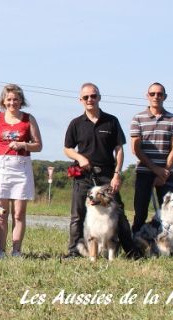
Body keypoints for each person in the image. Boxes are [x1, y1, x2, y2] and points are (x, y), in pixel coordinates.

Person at [63, 82, 142, 259]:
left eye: (93, 96)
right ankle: (74, 251)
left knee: (118, 213)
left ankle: (131, 251)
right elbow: (67, 148)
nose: (90, 99)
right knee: (78, 215)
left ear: (99, 97)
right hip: (83, 176)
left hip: (107, 175)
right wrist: (80, 158)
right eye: (86, 97)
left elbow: (119, 149)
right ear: (80, 100)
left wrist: (117, 174)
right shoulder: (76, 123)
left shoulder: (111, 121)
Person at [0, 84, 42, 258]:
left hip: (21, 167)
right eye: (9, 99)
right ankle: (1, 251)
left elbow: (38, 146)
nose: (12, 102)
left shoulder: (29, 119)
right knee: (0, 213)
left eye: (16, 99)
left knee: (19, 213)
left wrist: (23, 144)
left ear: (21, 100)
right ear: (3, 101)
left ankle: (16, 250)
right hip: (1, 167)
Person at [129, 82, 173, 232]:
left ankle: (168, 248)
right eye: (152, 94)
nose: (156, 97)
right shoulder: (138, 118)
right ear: (147, 96)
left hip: (167, 173)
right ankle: (136, 247)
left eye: (159, 94)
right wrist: (155, 169)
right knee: (140, 212)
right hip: (144, 172)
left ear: (165, 96)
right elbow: (136, 149)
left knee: (169, 213)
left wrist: (164, 172)